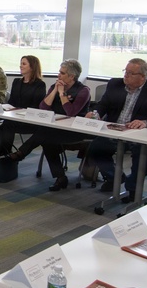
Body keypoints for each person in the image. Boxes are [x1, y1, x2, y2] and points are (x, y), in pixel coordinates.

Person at [84, 58, 147, 195]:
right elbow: (103, 105)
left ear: (143, 77)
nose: (126, 75)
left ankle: (132, 188)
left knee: (145, 154)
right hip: (114, 130)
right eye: (125, 71)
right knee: (95, 148)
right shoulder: (115, 84)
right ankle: (115, 177)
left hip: (139, 135)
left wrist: (146, 123)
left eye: (131, 73)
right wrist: (96, 113)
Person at [8, 59, 90, 191]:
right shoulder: (55, 86)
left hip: (74, 130)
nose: (59, 75)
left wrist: (62, 93)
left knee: (45, 135)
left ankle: (22, 153)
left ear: (71, 76)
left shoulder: (83, 91)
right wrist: (54, 91)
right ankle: (60, 177)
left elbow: (71, 112)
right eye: (59, 72)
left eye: (62, 73)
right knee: (47, 138)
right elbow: (43, 107)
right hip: (55, 128)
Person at [0, 54, 47, 155]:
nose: (21, 66)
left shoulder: (40, 85)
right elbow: (12, 102)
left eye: (24, 64)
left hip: (29, 120)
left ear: (32, 67)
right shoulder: (17, 82)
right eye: (21, 63)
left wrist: (18, 111)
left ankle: (4, 156)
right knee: (2, 126)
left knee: (7, 125)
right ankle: (2, 155)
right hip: (15, 117)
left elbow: (36, 106)